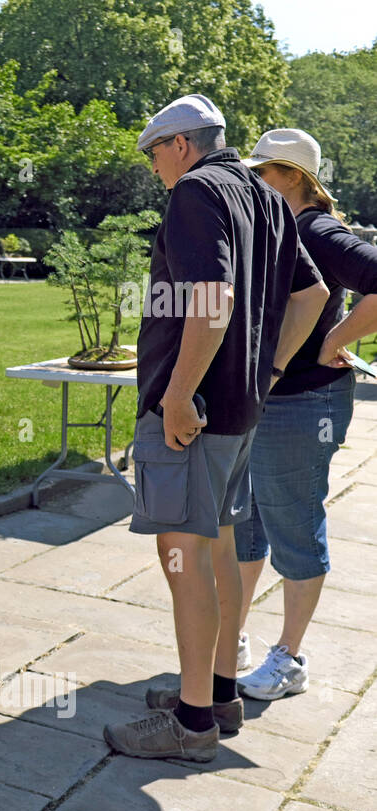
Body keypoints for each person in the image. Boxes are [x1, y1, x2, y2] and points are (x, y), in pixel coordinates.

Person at [103, 94, 328, 762]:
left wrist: (176, 394)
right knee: (221, 550)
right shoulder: (263, 197)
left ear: (179, 144)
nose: (154, 170)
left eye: (154, 155)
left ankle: (194, 722)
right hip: (239, 411)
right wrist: (272, 369)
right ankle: (218, 690)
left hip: (193, 418)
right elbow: (311, 294)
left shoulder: (198, 192)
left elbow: (213, 298)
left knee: (183, 559)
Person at [230, 129, 377, 699]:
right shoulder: (278, 228)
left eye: (262, 173)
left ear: (294, 177)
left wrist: (332, 338)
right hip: (262, 400)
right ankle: (233, 636)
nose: (252, 182)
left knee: (292, 526)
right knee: (244, 528)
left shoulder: (318, 229)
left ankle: (289, 659)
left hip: (302, 405)